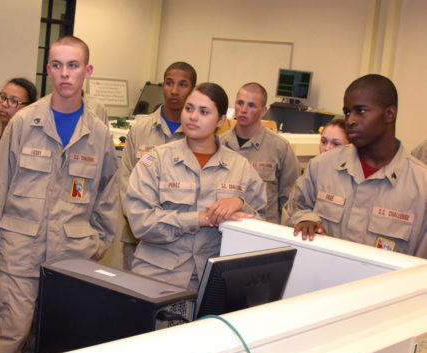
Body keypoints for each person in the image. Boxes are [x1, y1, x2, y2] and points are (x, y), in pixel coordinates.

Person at [0, 36, 118, 353]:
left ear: (88, 71)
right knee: (10, 339)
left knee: (57, 340)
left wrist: (96, 244)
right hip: (20, 254)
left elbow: (108, 197)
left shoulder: (98, 134)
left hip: (72, 258)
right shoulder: (24, 123)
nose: (65, 74)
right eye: (57, 66)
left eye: (73, 66)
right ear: (48, 70)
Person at [125, 82, 267, 290]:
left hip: (215, 279)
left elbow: (262, 228)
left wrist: (239, 204)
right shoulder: (156, 161)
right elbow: (141, 222)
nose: (192, 117)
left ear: (221, 120)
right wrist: (201, 219)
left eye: (203, 112)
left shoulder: (240, 167)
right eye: (189, 108)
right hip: (158, 276)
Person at [283, 74, 427, 258]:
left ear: (389, 114)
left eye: (361, 111)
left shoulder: (421, 186)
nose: (350, 120)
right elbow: (293, 209)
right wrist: (304, 219)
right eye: (347, 112)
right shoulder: (322, 166)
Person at [117, 61, 195, 269]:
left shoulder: (197, 134)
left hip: (182, 243)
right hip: (138, 236)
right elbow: (125, 180)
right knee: (133, 296)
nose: (175, 90)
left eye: (183, 84)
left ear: (193, 90)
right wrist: (142, 220)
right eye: (169, 83)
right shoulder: (140, 129)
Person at [219, 82, 299, 224]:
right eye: (240, 103)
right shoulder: (220, 144)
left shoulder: (280, 148)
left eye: (251, 105)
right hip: (224, 226)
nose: (243, 110)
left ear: (263, 111)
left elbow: (289, 201)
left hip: (263, 229)